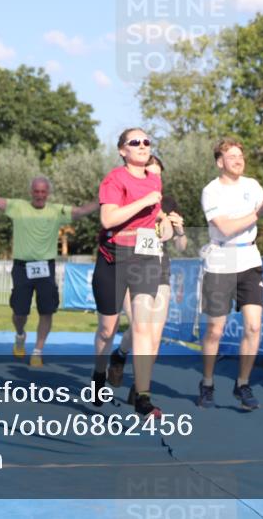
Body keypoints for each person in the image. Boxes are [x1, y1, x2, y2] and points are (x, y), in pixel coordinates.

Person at [198, 138, 263, 410]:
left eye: (241, 156)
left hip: (249, 258)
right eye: (232, 156)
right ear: (219, 162)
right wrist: (259, 210)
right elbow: (226, 229)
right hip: (220, 260)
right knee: (216, 329)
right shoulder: (211, 191)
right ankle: (207, 382)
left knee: (254, 325)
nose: (238, 160)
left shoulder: (252, 185)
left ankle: (242, 383)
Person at [91, 128, 175, 418]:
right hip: (113, 258)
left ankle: (142, 396)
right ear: (122, 151)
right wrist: (144, 201)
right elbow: (108, 218)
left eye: (146, 142)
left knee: (142, 325)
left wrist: (168, 228)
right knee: (107, 329)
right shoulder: (115, 179)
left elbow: (156, 225)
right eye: (134, 142)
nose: (142, 145)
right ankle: (99, 373)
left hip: (145, 257)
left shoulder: (155, 180)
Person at [0, 159, 98, 366]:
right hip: (22, 267)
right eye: (36, 191)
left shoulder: (57, 210)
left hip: (46, 267)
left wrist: (103, 198)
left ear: (48, 193)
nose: (39, 195)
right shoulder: (18, 207)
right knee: (19, 312)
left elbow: (81, 211)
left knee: (46, 310)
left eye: (43, 192)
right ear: (31, 192)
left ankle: (37, 350)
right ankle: (20, 336)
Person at [108, 155, 186, 389]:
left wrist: (179, 230)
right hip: (130, 266)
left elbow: (180, 245)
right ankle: (120, 354)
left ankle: (141, 388)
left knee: (154, 335)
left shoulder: (168, 202)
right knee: (139, 325)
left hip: (159, 268)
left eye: (158, 175)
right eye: (150, 173)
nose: (154, 179)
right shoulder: (125, 198)